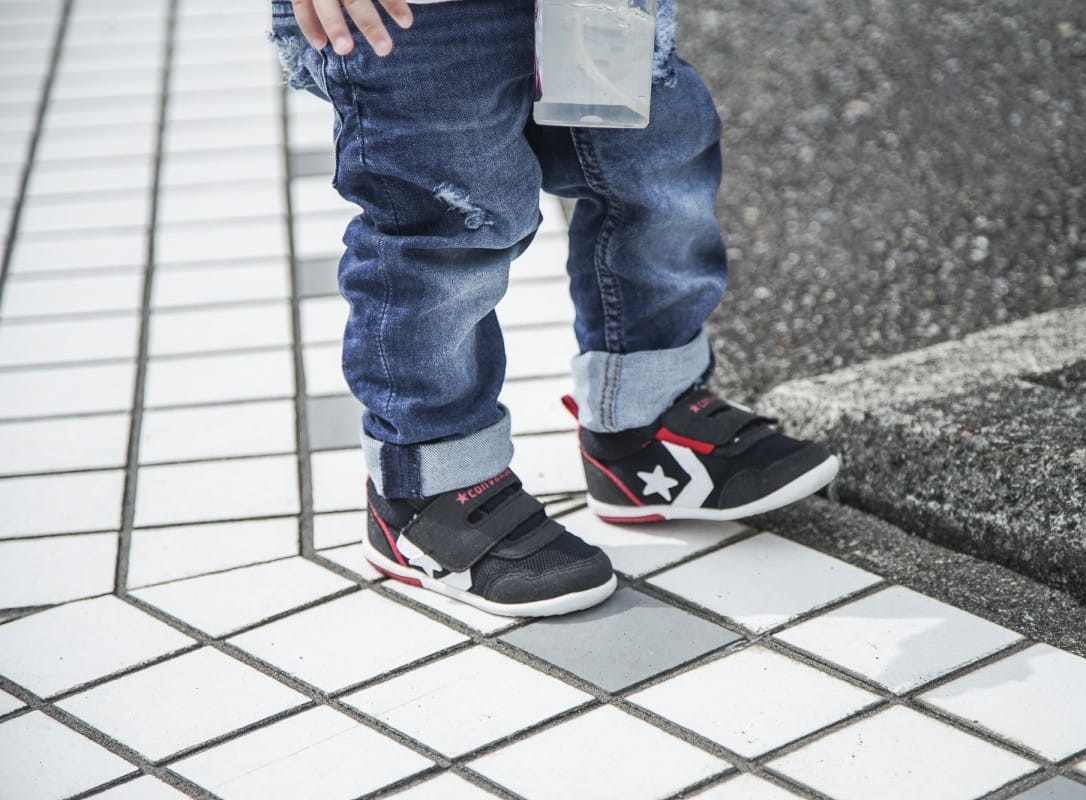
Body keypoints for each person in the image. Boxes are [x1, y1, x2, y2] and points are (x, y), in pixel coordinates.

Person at [269, 0, 839, 618]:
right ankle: (424, 488)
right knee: (448, 225)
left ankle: (644, 424)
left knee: (651, 174)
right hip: (413, 16)